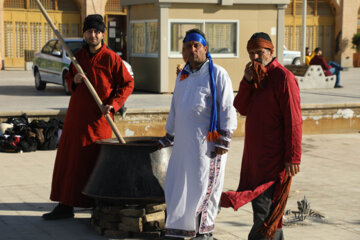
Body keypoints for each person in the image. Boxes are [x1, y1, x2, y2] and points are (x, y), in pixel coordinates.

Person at [42, 14, 134, 220]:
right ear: (84, 33)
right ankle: (65, 204)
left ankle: (97, 205)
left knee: (94, 162)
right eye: (89, 31)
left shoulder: (111, 58)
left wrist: (114, 103)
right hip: (76, 118)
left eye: (96, 31)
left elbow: (127, 83)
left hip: (99, 121)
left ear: (102, 34)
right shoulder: (78, 57)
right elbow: (68, 80)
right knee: (70, 161)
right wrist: (73, 79)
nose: (92, 35)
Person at [221, 32, 302, 240]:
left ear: (270, 51)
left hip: (275, 160)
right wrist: (247, 82)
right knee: (266, 213)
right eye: (251, 54)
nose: (255, 58)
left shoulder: (284, 78)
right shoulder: (255, 77)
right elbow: (241, 107)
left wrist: (293, 156)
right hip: (255, 158)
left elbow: (294, 119)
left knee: (266, 214)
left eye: (259, 52)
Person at [159, 29, 237, 240]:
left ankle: (204, 231)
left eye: (196, 46)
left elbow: (227, 107)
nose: (191, 50)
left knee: (205, 186)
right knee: (178, 185)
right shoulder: (183, 76)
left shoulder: (218, 74)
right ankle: (178, 230)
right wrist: (169, 135)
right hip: (184, 145)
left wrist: (225, 138)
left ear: (205, 49)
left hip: (208, 146)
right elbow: (176, 108)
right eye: (187, 46)